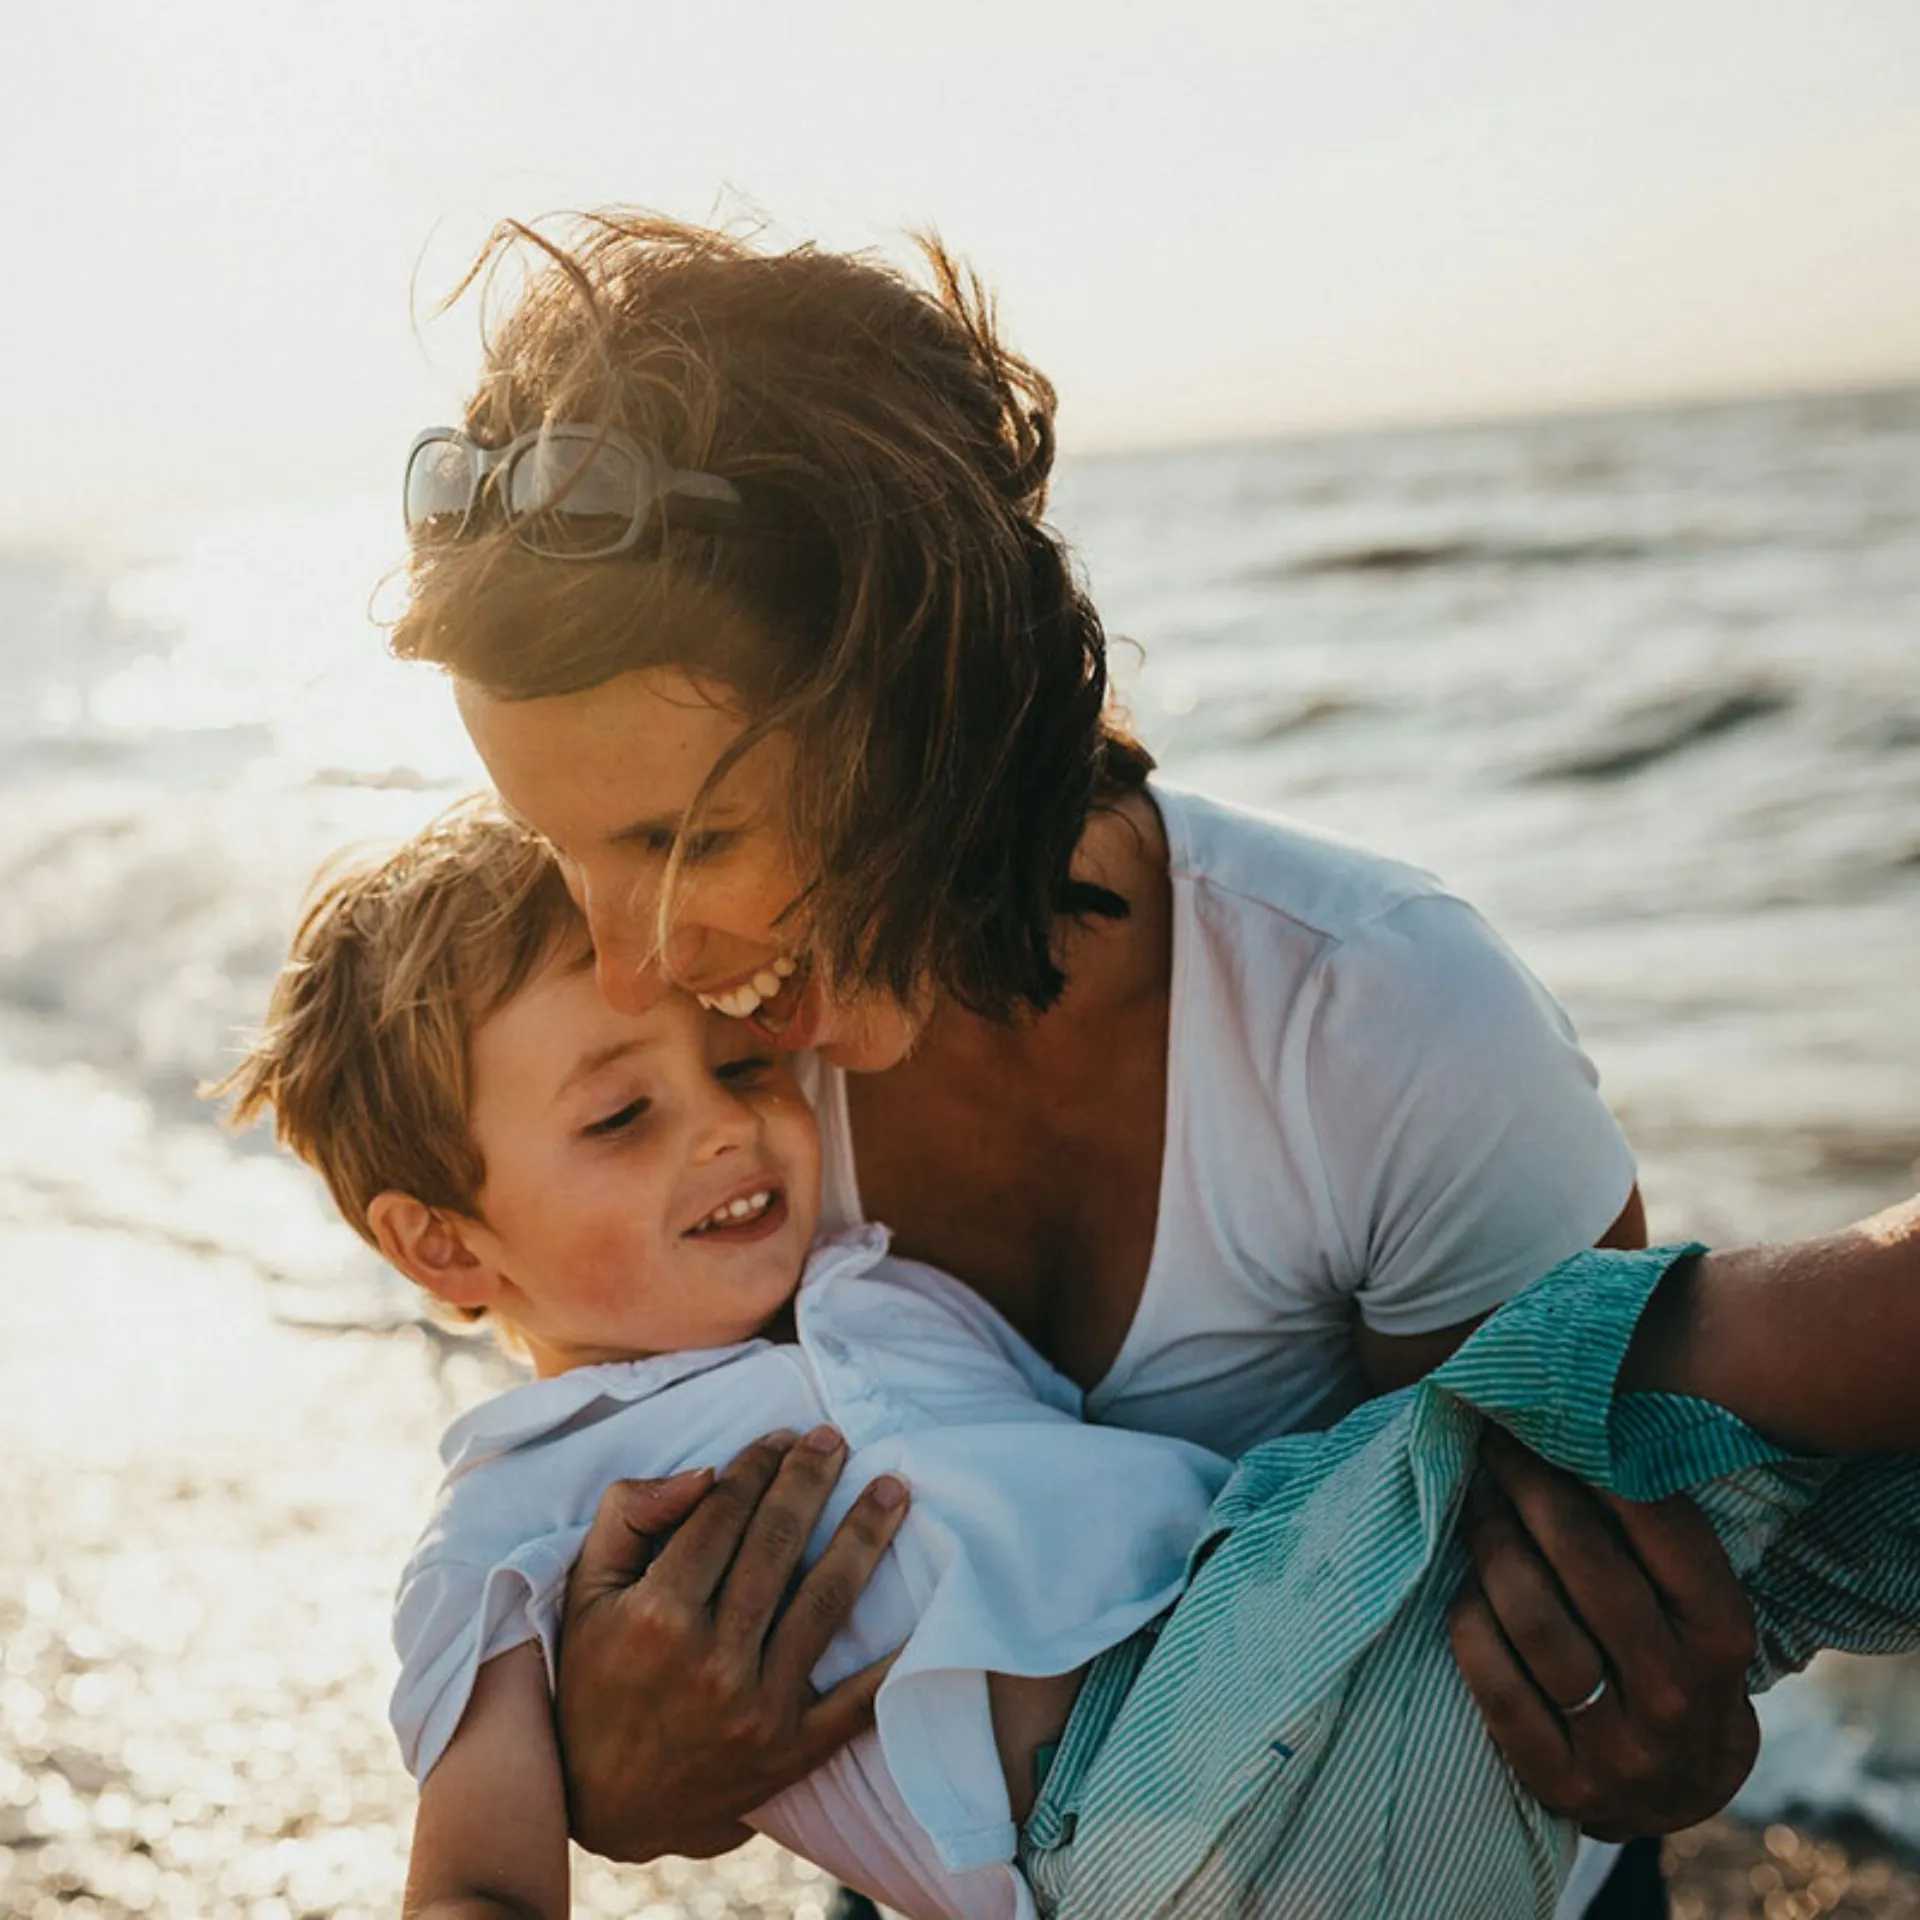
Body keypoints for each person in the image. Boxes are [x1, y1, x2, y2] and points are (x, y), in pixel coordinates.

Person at [387, 211, 1762, 1917]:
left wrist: (1672, 1735)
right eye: (560, 852)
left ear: (927, 706)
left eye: (687, 836)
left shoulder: (1383, 1024)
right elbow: (612, 1471)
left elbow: (1597, 1600)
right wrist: (620, 1768)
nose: (629, 958)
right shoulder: (706, 1090)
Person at [220, 805, 1920, 1920]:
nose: (732, 1126)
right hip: (1136, 1810)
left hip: (1358, 1746)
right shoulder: (516, 1512)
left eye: (736, 1062)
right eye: (617, 1113)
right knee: (1646, 1366)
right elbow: (478, 1890)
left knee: (1814, 1507)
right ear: (443, 1244)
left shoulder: (872, 1288)